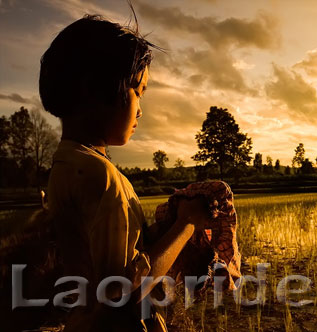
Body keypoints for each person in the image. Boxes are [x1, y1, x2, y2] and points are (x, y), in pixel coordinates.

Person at [40, 14, 209, 331]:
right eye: (138, 91)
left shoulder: (65, 164)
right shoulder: (103, 179)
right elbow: (121, 292)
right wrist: (187, 224)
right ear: (94, 90)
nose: (141, 109)